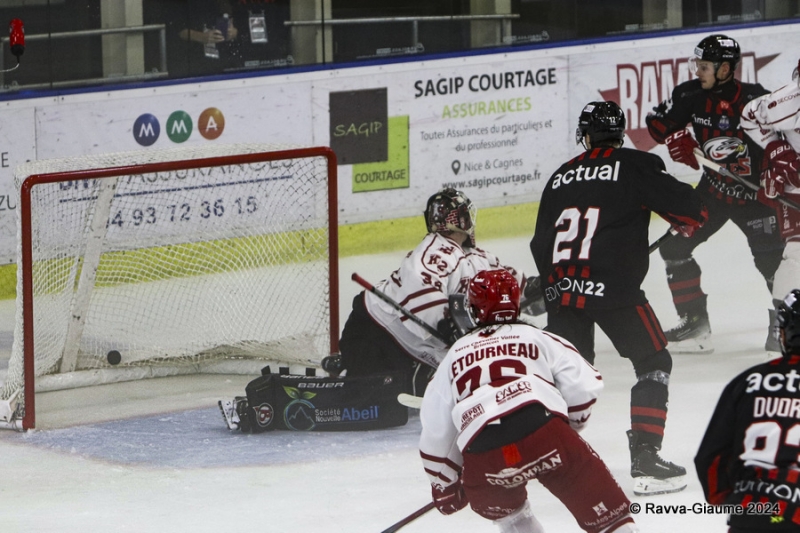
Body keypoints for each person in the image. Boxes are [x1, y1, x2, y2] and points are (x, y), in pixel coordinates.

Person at [531, 100, 708, 495]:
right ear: (620, 131)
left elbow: (540, 242)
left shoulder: (559, 176)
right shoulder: (634, 164)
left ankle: (546, 457)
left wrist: (555, 286)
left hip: (562, 291)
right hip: (615, 290)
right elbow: (688, 206)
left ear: (586, 134)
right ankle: (645, 457)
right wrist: (690, 217)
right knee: (653, 361)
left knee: (566, 378)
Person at [418, 269, 638, 533]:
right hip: (545, 432)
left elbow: (436, 427)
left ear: (473, 309)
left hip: (484, 453)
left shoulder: (454, 355)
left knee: (513, 519)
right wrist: (568, 428)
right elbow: (584, 386)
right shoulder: (538, 336)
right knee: (611, 519)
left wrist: (445, 482)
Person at [324, 187, 544, 397]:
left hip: (415, 343)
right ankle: (349, 366)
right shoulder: (434, 251)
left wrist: (535, 288)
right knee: (380, 391)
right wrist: (447, 324)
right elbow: (424, 292)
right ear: (460, 219)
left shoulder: (478, 256)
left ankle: (356, 365)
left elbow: (504, 283)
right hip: (377, 332)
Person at [645, 34, 784, 354]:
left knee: (773, 266)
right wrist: (675, 135)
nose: (698, 70)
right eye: (698, 64)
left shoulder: (756, 99)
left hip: (757, 199)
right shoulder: (690, 95)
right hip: (714, 193)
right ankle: (694, 319)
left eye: (705, 66)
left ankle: (788, 325)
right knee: (676, 248)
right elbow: (655, 125)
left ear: (725, 69)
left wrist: (770, 177)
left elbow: (782, 146)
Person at [695, 288, 800, 532]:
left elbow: (710, 456)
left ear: (783, 334)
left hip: (754, 511)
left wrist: (737, 502)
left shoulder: (748, 381)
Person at [740, 58, 800, 352]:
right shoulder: (782, 102)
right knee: (795, 255)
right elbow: (749, 116)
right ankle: (782, 328)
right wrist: (776, 151)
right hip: (795, 190)